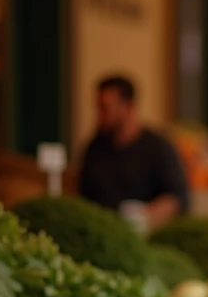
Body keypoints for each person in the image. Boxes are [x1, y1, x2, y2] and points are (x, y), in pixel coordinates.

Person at [79, 75, 188, 229]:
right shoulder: (94, 148)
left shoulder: (158, 147)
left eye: (105, 108)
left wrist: (142, 216)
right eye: (98, 107)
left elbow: (176, 197)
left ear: (128, 107)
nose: (99, 115)